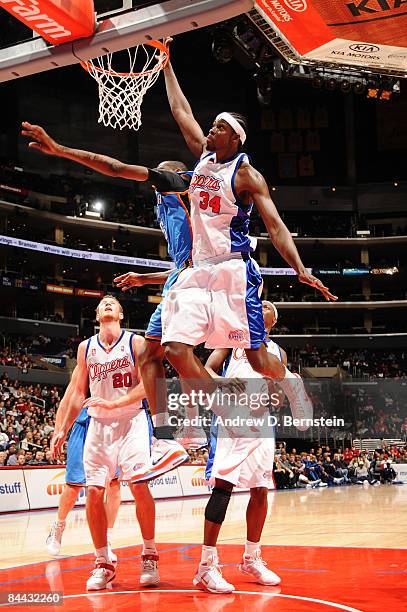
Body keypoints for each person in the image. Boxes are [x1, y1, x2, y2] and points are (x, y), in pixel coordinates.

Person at [160, 41, 336, 428]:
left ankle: (290, 383)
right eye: (214, 124)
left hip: (233, 272)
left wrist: (301, 269)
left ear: (235, 139)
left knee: (257, 358)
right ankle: (222, 406)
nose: (211, 129)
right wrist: (166, 63)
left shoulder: (246, 175)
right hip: (198, 270)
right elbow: (180, 111)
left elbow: (275, 226)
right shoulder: (203, 156)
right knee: (173, 348)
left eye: (220, 127)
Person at [21, 121, 199, 477]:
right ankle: (176, 436)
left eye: (158, 179)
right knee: (162, 356)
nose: (153, 184)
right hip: (184, 278)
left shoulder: (183, 187)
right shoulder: (163, 206)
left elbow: (116, 168)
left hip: (195, 283)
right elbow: (184, 263)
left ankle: (189, 431)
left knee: (168, 355)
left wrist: (60, 150)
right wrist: (144, 277)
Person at [53, 295, 159, 591]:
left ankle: (149, 553)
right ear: (97, 315)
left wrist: (116, 404)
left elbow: (149, 385)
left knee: (139, 485)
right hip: (98, 426)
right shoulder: (86, 348)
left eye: (113, 302)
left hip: (132, 421)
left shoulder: (136, 343)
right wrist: (64, 426)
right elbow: (76, 392)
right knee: (93, 492)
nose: (107, 304)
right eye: (103, 304)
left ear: (121, 314)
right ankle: (103, 562)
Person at [195, 302, 283, 593]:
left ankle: (251, 557)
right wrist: (223, 384)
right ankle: (206, 566)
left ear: (272, 322)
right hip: (233, 418)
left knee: (260, 489)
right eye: (261, 306)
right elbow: (207, 367)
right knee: (223, 487)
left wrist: (276, 394)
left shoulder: (277, 352)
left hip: (262, 423)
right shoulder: (232, 337)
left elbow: (277, 393)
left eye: (268, 307)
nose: (263, 306)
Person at [46, 367, 121, 562]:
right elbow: (65, 402)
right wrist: (58, 432)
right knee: (73, 487)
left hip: (112, 426)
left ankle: (108, 540)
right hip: (83, 426)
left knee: (113, 485)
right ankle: (58, 527)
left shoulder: (122, 359)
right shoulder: (86, 363)